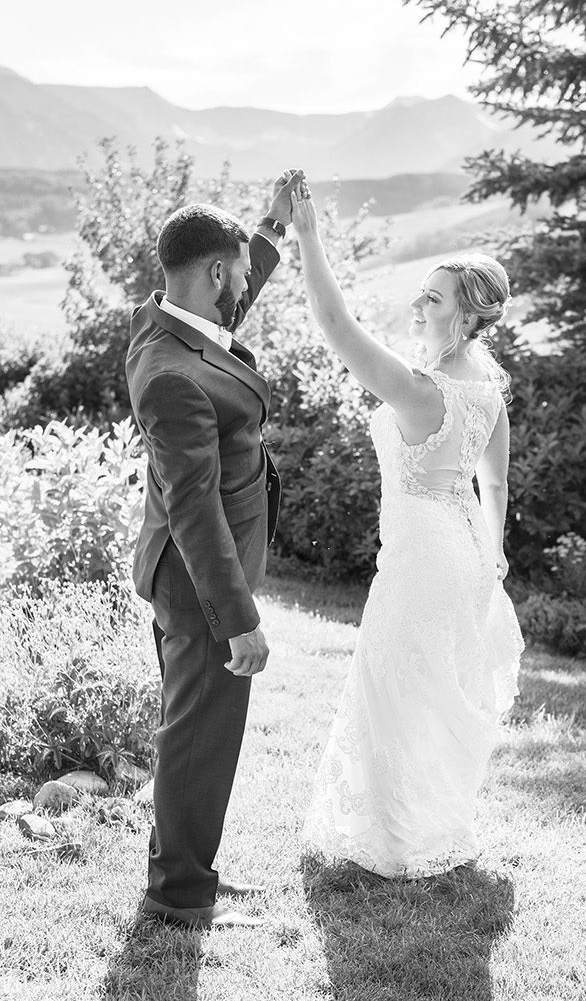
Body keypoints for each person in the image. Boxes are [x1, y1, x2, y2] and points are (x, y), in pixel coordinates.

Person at [290, 183, 524, 877]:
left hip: (422, 553)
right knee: (430, 690)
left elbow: (335, 325)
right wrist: (496, 557)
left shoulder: (422, 391)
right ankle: (428, 822)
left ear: (463, 317)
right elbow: (499, 485)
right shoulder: (488, 393)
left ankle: (393, 842)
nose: (417, 305)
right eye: (421, 293)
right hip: (467, 552)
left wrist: (308, 237)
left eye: (432, 298)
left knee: (390, 685)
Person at [125, 168, 304, 928]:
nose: (241, 292)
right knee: (200, 737)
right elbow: (195, 509)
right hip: (200, 581)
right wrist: (238, 619)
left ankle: (183, 865)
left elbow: (232, 297)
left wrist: (268, 231)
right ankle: (181, 897)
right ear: (213, 272)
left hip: (184, 571)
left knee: (187, 730)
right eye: (235, 274)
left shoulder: (164, 320)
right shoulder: (170, 376)